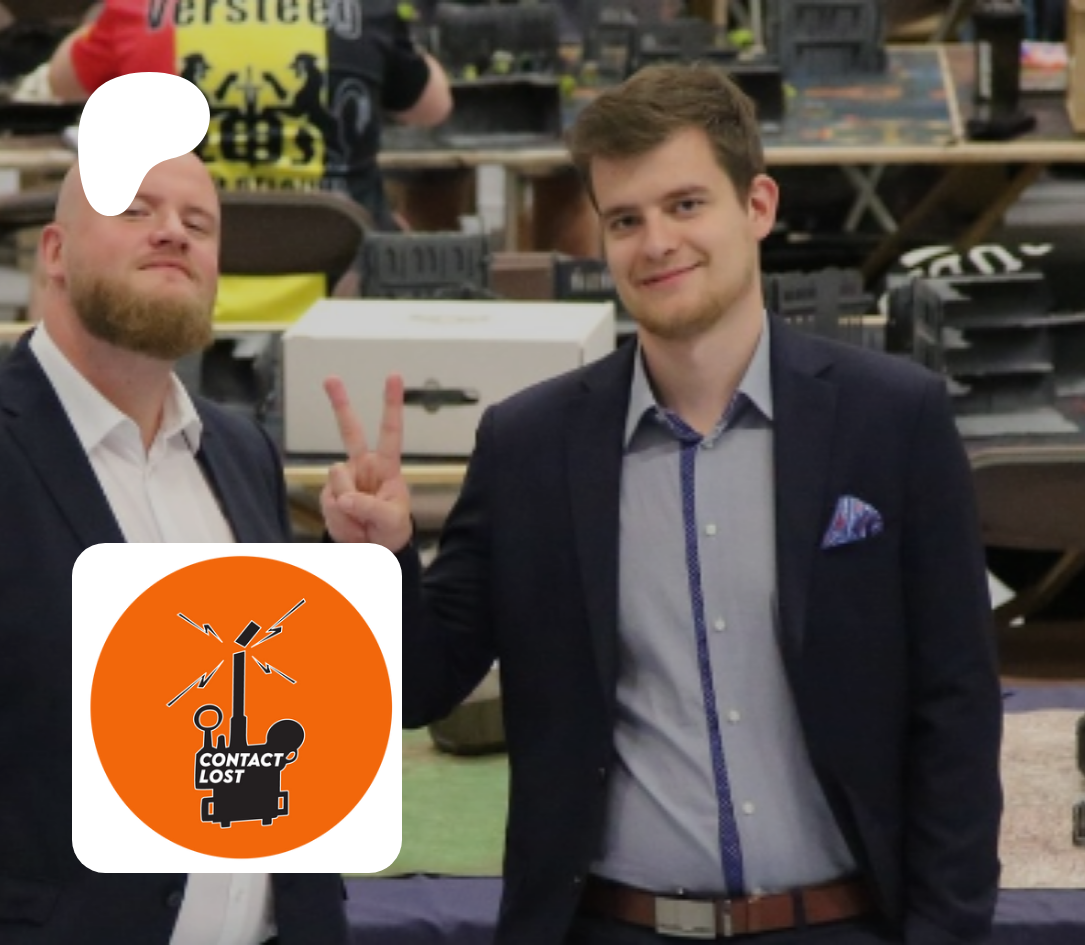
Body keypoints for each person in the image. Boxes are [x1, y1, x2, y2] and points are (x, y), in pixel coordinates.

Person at [320, 64, 1004, 945]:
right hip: (611, 925)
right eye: (625, 220)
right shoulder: (528, 448)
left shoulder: (894, 420)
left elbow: (958, 704)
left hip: (839, 920)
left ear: (757, 205)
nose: (657, 243)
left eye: (686, 205)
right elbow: (423, 686)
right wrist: (379, 558)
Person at [0, 154, 346, 943]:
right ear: (54, 251)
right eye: (135, 211)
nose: (173, 234)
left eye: (199, 224)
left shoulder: (242, 453)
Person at [43, 0, 452, 232]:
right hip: (336, 263)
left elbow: (61, 82)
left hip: (179, 255)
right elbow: (434, 107)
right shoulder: (361, 10)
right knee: (398, 233)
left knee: (63, 247)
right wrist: (396, 43)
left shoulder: (141, 9)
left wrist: (101, 19)